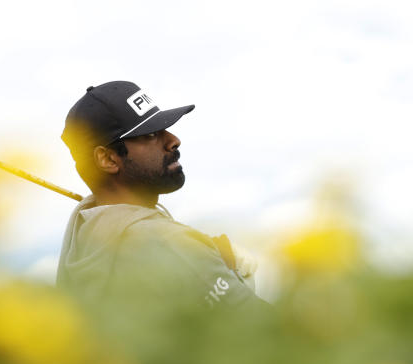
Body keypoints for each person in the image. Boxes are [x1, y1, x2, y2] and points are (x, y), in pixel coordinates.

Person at [56, 81, 264, 311]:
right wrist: (231, 272)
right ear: (108, 159)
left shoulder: (84, 233)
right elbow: (278, 336)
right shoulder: (170, 244)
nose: (173, 140)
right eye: (151, 134)